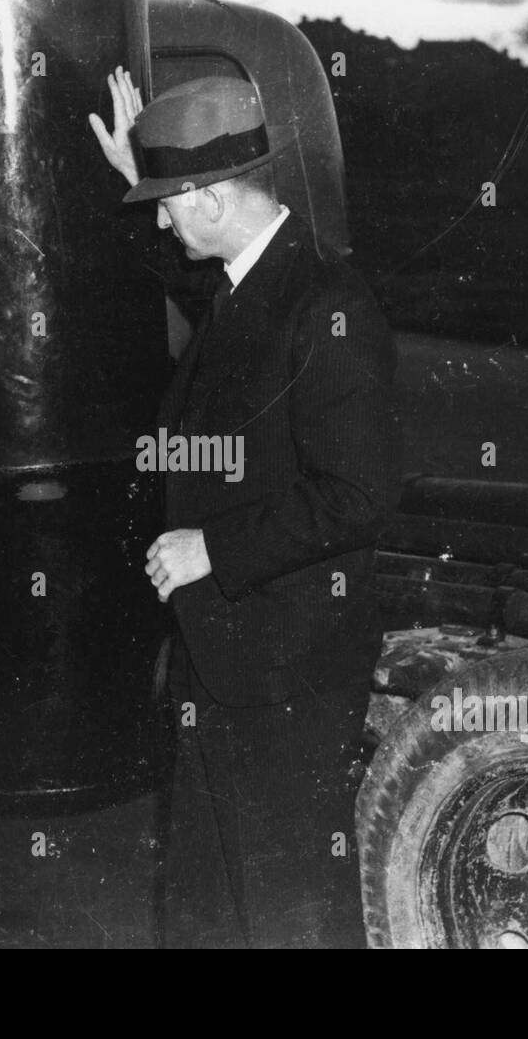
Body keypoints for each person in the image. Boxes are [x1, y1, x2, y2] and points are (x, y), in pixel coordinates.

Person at [91, 71, 401, 947]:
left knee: (287, 899)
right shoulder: (245, 279)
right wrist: (135, 176)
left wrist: (212, 551)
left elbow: (361, 494)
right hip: (228, 651)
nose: (159, 220)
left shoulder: (328, 305)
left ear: (214, 197)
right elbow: (185, 278)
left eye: (167, 202)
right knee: (211, 901)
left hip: (289, 662)